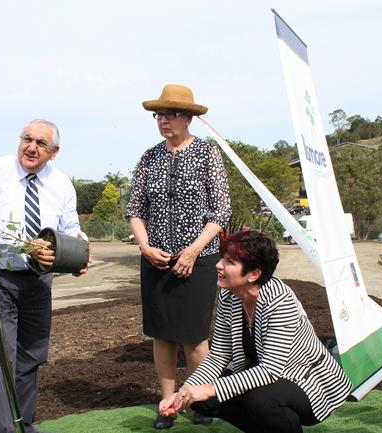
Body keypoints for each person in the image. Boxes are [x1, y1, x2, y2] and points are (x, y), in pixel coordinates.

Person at [160, 230, 352, 433]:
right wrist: (184, 392)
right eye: (222, 258)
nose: (219, 265)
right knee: (202, 400)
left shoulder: (280, 301)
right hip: (264, 379)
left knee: (259, 400)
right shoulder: (228, 296)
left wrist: (208, 388)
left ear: (254, 274)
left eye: (230, 262)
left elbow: (270, 369)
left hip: (309, 382)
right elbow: (218, 355)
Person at [0, 119, 88, 433]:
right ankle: (4, 430)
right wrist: (28, 247)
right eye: (27, 139)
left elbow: (69, 229)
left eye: (41, 143)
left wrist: (79, 253)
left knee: (30, 357)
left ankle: (24, 424)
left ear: (54, 152)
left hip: (38, 281)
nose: (32, 147)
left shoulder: (61, 184)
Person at [126, 83, 232, 429]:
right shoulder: (149, 157)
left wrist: (193, 249)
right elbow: (136, 209)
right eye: (159, 114)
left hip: (198, 259)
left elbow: (220, 212)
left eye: (171, 114)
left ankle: (199, 400)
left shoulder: (207, 154)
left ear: (189, 118)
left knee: (194, 335)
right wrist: (144, 246)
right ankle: (167, 402)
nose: (163, 120)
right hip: (155, 259)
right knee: (162, 334)